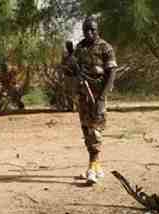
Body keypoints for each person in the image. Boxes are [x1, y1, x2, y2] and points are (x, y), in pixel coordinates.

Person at [67, 16, 117, 185]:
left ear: (97, 30)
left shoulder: (105, 48)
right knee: (86, 129)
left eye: (92, 29)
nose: (89, 32)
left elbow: (111, 73)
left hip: (97, 95)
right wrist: (69, 63)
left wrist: (102, 97)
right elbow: (70, 71)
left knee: (95, 129)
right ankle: (96, 166)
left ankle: (92, 166)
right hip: (82, 96)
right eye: (86, 29)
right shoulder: (79, 47)